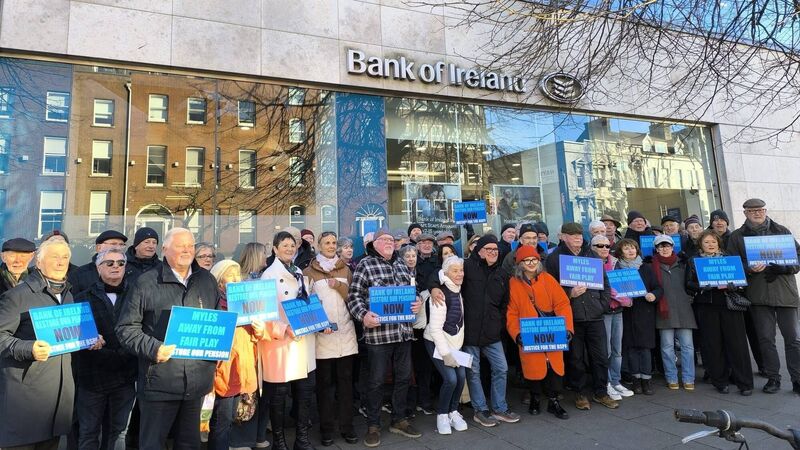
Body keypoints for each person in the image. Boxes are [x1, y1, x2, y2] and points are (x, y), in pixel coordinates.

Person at [116, 228, 219, 449]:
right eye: (180, 245)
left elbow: (215, 323)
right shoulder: (146, 282)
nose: (186, 250)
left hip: (197, 381)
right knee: (153, 444)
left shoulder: (207, 281)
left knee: (190, 444)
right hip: (159, 380)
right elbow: (125, 328)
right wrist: (154, 348)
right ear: (165, 249)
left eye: (190, 246)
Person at [0, 238, 103, 449]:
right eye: (54, 257)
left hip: (59, 400)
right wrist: (28, 348)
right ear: (38, 262)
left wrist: (88, 339)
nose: (60, 262)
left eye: (65, 257)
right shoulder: (15, 297)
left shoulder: (69, 296)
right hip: (24, 401)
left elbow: (66, 337)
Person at [433, 235, 521, 427]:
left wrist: (498, 323)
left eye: (495, 249)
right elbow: (441, 274)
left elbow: (505, 303)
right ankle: (480, 410)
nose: (492, 252)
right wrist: (433, 287)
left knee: (502, 368)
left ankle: (499, 408)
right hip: (470, 333)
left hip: (492, 333)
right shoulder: (467, 266)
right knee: (474, 372)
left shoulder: (501, 273)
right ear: (478, 250)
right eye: (488, 249)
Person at [347, 229, 423, 448]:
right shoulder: (366, 264)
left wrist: (416, 301)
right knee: (376, 381)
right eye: (385, 240)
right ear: (375, 244)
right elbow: (354, 296)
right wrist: (364, 316)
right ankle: (373, 424)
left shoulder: (402, 265)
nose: (390, 243)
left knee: (403, 378)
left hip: (403, 333)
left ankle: (399, 419)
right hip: (379, 335)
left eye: (392, 240)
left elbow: (412, 292)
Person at [727, 198, 800, 394]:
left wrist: (786, 267)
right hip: (758, 294)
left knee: (793, 339)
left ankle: (797, 379)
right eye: (752, 211)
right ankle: (773, 378)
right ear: (745, 213)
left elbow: (797, 258)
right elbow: (732, 265)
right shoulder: (737, 236)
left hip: (785, 293)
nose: (757, 213)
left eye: (760, 210)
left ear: (765, 211)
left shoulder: (781, 231)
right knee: (766, 339)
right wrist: (748, 269)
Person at [545, 222, 618, 410]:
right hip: (572, 316)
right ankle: (579, 394)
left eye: (579, 234)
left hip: (595, 315)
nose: (577, 237)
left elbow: (605, 283)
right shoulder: (554, 259)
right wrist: (569, 294)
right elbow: (550, 289)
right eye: (572, 234)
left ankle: (601, 392)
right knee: (576, 359)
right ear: (564, 237)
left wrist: (602, 306)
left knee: (600, 356)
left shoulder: (591, 254)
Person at [74, 248, 137, 450]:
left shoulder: (137, 295)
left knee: (120, 432)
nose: (115, 267)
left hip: (126, 376)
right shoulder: (82, 298)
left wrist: (125, 355)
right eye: (109, 263)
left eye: (120, 263)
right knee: (89, 432)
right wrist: (105, 353)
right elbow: (78, 336)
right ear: (98, 268)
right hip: (92, 376)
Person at [259, 231, 316, 450]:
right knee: (279, 396)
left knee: (304, 393)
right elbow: (264, 314)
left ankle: (302, 439)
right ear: (275, 249)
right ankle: (279, 442)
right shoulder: (268, 276)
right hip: (281, 343)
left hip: (302, 341)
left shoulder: (299, 271)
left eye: (293, 245)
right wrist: (284, 329)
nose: (290, 249)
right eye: (285, 245)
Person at [303, 231, 359, 446]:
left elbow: (353, 297)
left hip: (345, 333)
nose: (330, 245)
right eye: (326, 242)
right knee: (324, 386)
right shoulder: (308, 271)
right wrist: (318, 324)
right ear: (318, 245)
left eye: (333, 242)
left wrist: (340, 286)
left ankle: (347, 427)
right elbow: (307, 302)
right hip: (323, 335)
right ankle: (326, 429)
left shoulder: (345, 269)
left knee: (346, 384)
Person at [507, 245, 573, 419]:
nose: (531, 263)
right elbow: (511, 312)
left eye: (534, 259)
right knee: (532, 367)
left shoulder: (548, 279)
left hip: (552, 330)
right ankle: (535, 398)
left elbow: (562, 304)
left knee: (554, 367)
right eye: (527, 260)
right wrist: (516, 333)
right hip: (528, 332)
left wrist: (568, 328)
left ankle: (553, 401)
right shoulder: (513, 283)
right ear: (520, 263)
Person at [686, 230, 754, 396]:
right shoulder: (694, 261)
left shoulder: (729, 259)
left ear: (718, 243)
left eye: (713, 242)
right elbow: (688, 283)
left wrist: (736, 285)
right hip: (707, 306)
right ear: (701, 245)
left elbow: (742, 282)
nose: (710, 245)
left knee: (737, 344)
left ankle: (744, 382)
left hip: (729, 305)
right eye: (706, 242)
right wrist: (702, 286)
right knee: (713, 344)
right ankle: (720, 381)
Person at [208, 260, 263, 450]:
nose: (235, 278)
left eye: (237, 274)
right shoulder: (214, 301)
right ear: (219, 279)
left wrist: (260, 329)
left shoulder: (246, 301)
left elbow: (256, 335)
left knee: (232, 417)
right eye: (230, 274)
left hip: (243, 365)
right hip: (223, 367)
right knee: (221, 421)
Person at [424, 257, 469, 435]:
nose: (459, 274)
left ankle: (453, 411)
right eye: (455, 271)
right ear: (446, 273)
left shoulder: (458, 289)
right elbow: (435, 330)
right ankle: (442, 414)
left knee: (461, 377)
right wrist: (446, 354)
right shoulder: (440, 293)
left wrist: (456, 348)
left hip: (453, 342)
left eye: (461, 270)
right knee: (450, 379)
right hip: (436, 342)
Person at [650, 235, 697, 390]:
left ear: (672, 247)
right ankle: (671, 377)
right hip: (664, 312)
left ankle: (688, 377)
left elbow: (691, 283)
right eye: (661, 246)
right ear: (656, 249)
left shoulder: (683, 264)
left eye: (667, 246)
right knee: (667, 347)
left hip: (684, 310)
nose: (664, 249)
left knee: (688, 347)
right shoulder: (652, 266)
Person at [615, 239, 660, 395]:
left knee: (645, 348)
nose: (631, 251)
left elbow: (658, 288)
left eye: (633, 248)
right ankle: (636, 381)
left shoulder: (645, 268)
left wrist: (653, 295)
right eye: (626, 249)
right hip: (627, 312)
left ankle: (646, 380)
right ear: (621, 252)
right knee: (632, 348)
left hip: (645, 312)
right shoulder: (617, 268)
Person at [592, 235, 632, 401]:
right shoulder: (590, 264)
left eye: (607, 246)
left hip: (618, 311)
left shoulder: (617, 263)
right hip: (603, 312)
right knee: (605, 350)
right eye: (599, 245)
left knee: (617, 349)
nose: (604, 249)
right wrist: (615, 295)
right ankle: (606, 381)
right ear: (592, 247)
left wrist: (626, 297)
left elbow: (626, 284)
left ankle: (615, 380)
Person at [397, 244, 434, 417]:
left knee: (423, 366)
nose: (411, 259)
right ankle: (409, 405)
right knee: (407, 370)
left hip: (420, 327)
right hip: (404, 328)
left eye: (413, 256)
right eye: (407, 256)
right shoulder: (397, 274)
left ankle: (423, 401)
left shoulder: (421, 274)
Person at [69, 230, 128, 295]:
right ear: (98, 248)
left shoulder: (130, 272)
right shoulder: (79, 275)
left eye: (121, 245)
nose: (118, 248)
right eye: (113, 244)